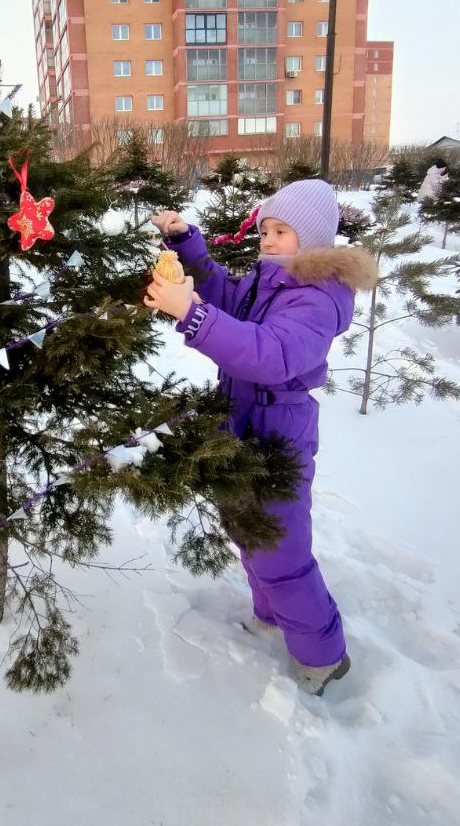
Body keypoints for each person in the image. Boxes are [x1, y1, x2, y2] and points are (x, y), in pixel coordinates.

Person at [144, 179, 377, 696]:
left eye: (282, 231)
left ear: (312, 241)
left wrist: (192, 314)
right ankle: (271, 614)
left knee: (280, 546)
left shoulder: (317, 299)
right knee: (247, 525)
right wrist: (186, 244)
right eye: (266, 229)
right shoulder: (271, 279)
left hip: (280, 428)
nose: (268, 240)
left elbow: (272, 354)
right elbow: (226, 294)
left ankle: (323, 656)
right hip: (242, 417)